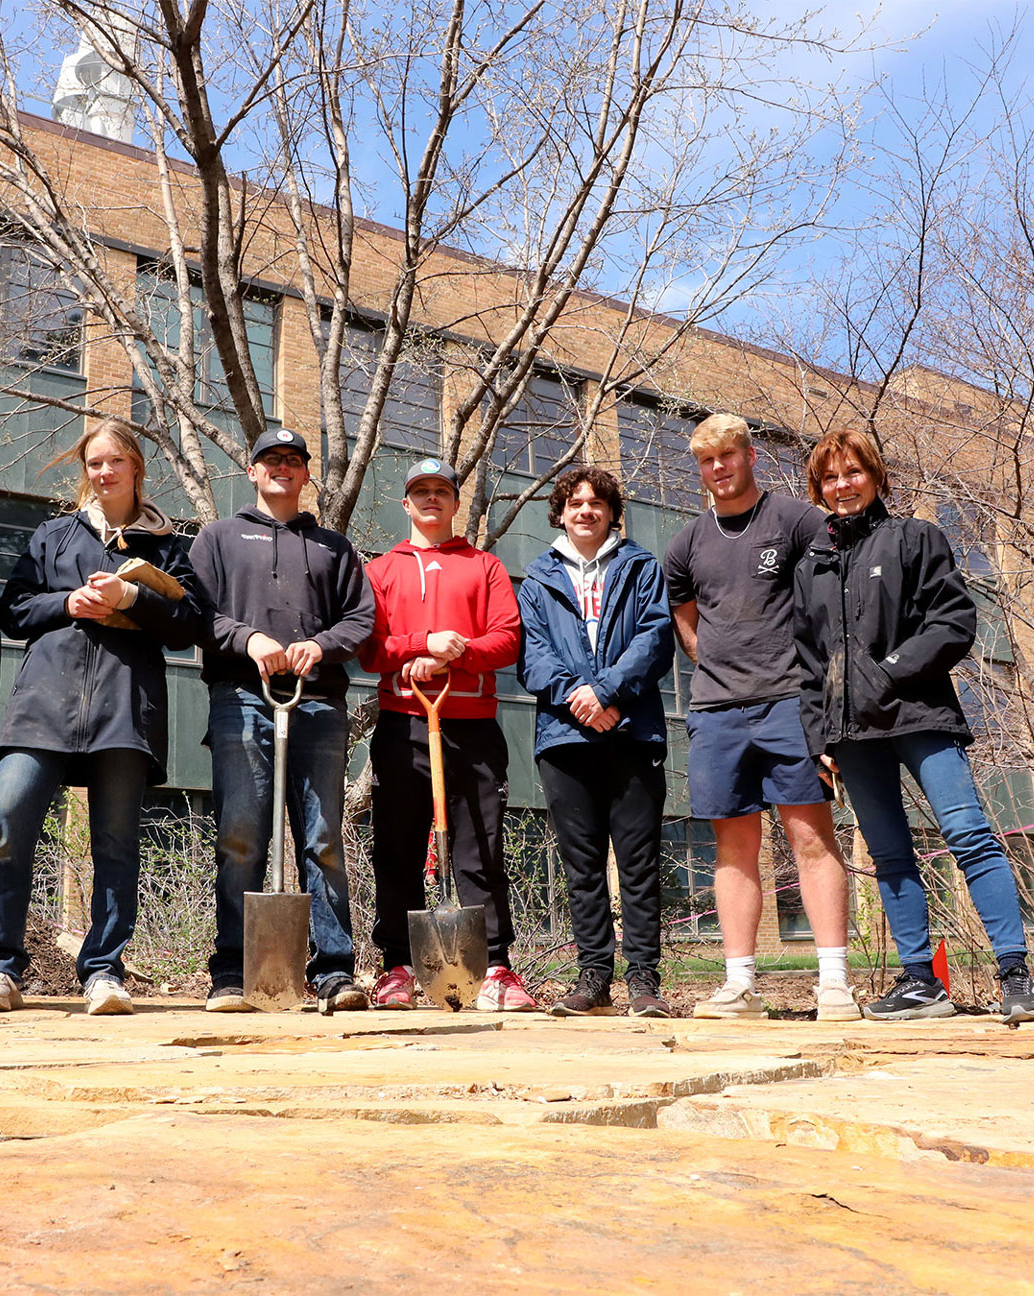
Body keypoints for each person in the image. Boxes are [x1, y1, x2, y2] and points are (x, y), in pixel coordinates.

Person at [794, 430, 1034, 1024]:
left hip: (919, 715)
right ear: (818, 489)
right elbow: (807, 659)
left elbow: (955, 620)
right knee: (888, 853)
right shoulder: (813, 567)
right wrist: (819, 738)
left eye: (853, 473)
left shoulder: (913, 538)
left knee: (969, 835)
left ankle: (1016, 975)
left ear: (875, 476)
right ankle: (920, 982)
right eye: (830, 478)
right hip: (852, 735)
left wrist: (890, 673)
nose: (843, 486)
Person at [0, 417, 201, 1017]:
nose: (103, 472)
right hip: (43, 705)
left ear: (136, 468)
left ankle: (102, 971)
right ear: (85, 471)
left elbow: (190, 625)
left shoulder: (171, 545)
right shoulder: (55, 535)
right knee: (10, 821)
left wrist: (134, 598)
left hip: (125, 711)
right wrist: (67, 603)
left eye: (115, 461)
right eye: (94, 463)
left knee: (116, 846)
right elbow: (12, 610)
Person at [665, 413, 859, 1022]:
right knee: (733, 846)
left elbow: (836, 592)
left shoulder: (795, 520)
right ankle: (740, 987)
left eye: (727, 455)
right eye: (706, 461)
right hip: (717, 711)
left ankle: (834, 983)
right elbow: (687, 619)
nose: (718, 468)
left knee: (809, 836)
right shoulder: (686, 542)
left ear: (750, 456)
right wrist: (717, 664)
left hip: (789, 704)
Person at [191, 429, 376, 1013]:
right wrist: (248, 640)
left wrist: (318, 647)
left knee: (322, 840)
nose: (283, 469)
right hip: (241, 697)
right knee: (240, 836)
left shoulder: (333, 546)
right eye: (272, 460)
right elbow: (194, 611)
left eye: (294, 461)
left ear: (304, 475)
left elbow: (362, 620)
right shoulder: (218, 538)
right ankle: (232, 971)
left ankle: (334, 971)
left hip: (316, 704)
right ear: (252, 470)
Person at [360, 458, 529, 1011]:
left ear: (456, 504)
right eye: (420, 492)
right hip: (404, 723)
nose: (431, 499)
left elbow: (507, 640)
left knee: (480, 849)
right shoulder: (382, 570)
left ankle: (496, 969)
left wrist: (457, 654)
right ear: (405, 505)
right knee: (397, 849)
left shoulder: (485, 567)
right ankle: (398, 968)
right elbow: (369, 649)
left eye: (442, 491)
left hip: (473, 726)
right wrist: (422, 644)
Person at [517, 467, 676, 1018]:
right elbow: (533, 656)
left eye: (597, 503)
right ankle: (593, 979)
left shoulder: (642, 567)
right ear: (560, 512)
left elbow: (655, 638)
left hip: (632, 732)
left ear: (612, 513)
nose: (586, 510)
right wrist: (579, 699)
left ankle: (645, 982)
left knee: (637, 863)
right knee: (581, 865)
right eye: (575, 502)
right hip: (564, 739)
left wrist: (606, 693)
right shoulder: (537, 578)